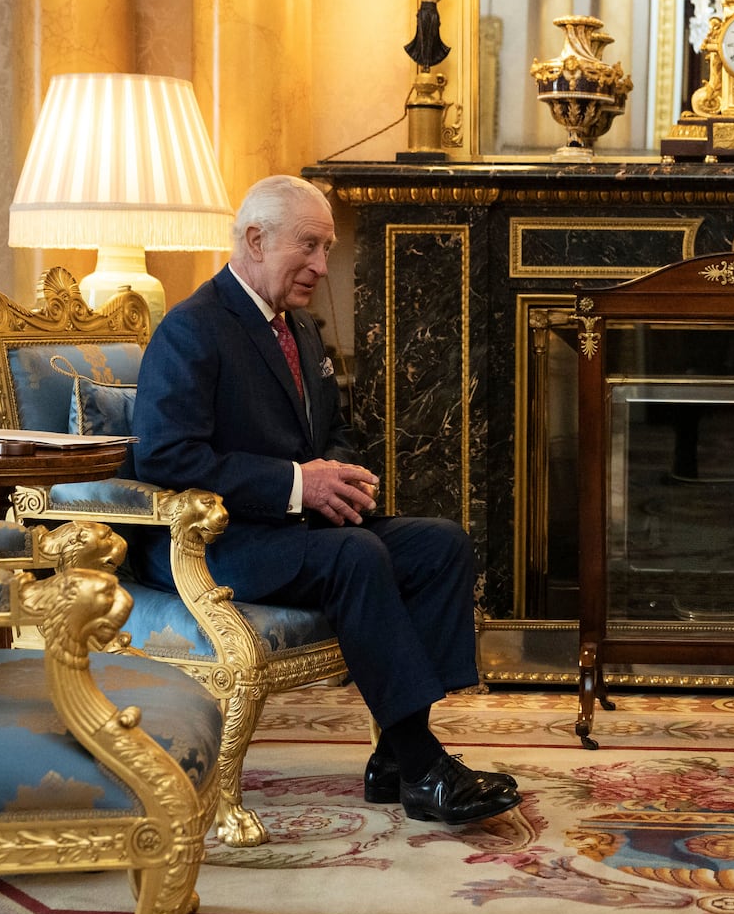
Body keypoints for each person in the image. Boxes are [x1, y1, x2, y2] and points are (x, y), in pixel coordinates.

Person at [132, 174, 518, 827]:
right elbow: (166, 457)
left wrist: (336, 474)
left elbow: (329, 430)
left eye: (326, 247)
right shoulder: (192, 328)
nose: (321, 264)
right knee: (356, 556)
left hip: (296, 528)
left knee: (440, 543)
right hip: (219, 542)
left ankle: (395, 756)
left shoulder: (300, 329)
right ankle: (423, 767)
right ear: (255, 238)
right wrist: (295, 483)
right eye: (309, 246)